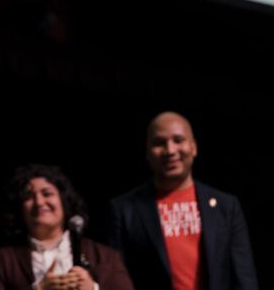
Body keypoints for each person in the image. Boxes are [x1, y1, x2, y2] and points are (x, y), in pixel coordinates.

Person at [107, 111, 259, 290]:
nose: (170, 150)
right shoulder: (124, 209)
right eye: (159, 143)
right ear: (147, 152)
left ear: (194, 147)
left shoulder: (226, 206)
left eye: (178, 140)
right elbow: (115, 280)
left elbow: (245, 280)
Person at [0, 163, 134, 290]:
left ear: (64, 202)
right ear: (19, 208)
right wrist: (39, 289)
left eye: (47, 193)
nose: (39, 202)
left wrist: (92, 288)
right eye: (28, 197)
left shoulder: (105, 256)